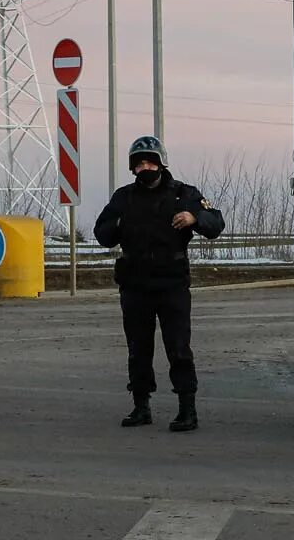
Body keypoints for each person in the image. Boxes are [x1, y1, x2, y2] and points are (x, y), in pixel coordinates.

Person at [93, 135, 225, 432]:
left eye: (150, 161)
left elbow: (216, 223)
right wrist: (119, 225)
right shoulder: (123, 197)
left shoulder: (183, 194)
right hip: (135, 284)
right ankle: (141, 406)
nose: (145, 167)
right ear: (132, 169)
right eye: (139, 164)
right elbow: (102, 232)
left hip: (172, 284)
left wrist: (195, 217)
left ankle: (186, 409)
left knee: (178, 347)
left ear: (161, 163)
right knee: (138, 348)